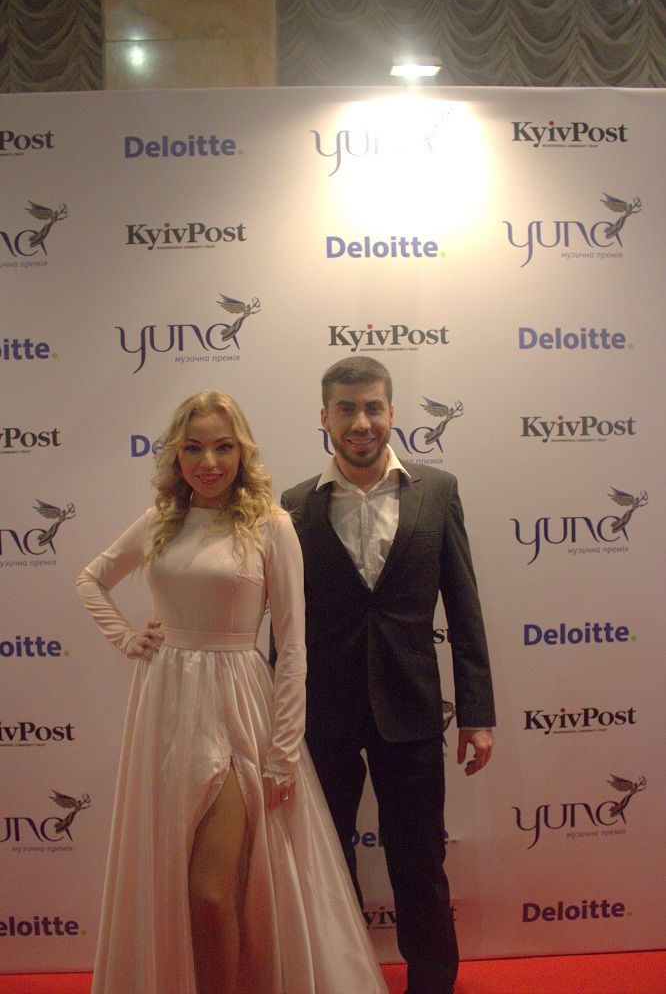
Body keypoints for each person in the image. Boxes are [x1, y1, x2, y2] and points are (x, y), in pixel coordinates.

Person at [76, 390, 387, 994]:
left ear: (242, 452)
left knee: (214, 894)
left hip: (240, 706)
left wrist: (284, 750)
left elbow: (292, 644)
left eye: (223, 447)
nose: (209, 462)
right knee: (173, 878)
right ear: (177, 455)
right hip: (164, 706)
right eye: (193, 448)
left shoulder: (271, 525)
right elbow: (91, 579)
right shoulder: (162, 520)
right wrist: (126, 636)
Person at [280, 357, 496, 994]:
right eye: (346, 409)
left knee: (420, 860)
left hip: (412, 708)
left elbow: (464, 607)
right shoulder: (294, 505)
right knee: (327, 861)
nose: (361, 422)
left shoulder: (438, 490)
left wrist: (478, 713)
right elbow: (284, 625)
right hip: (323, 714)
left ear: (392, 412)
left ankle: (432, 983)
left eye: (373, 407)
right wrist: (277, 718)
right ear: (324, 417)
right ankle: (343, 979)